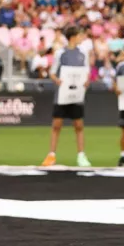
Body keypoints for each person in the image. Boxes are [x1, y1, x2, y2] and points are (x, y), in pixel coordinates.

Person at [41, 27, 92, 167]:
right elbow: (52, 72)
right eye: (79, 35)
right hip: (63, 94)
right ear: (73, 37)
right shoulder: (60, 53)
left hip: (77, 94)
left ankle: (81, 155)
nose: (81, 38)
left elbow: (86, 71)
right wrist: (57, 80)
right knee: (57, 125)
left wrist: (87, 81)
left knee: (79, 125)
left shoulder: (83, 53)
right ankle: (51, 155)